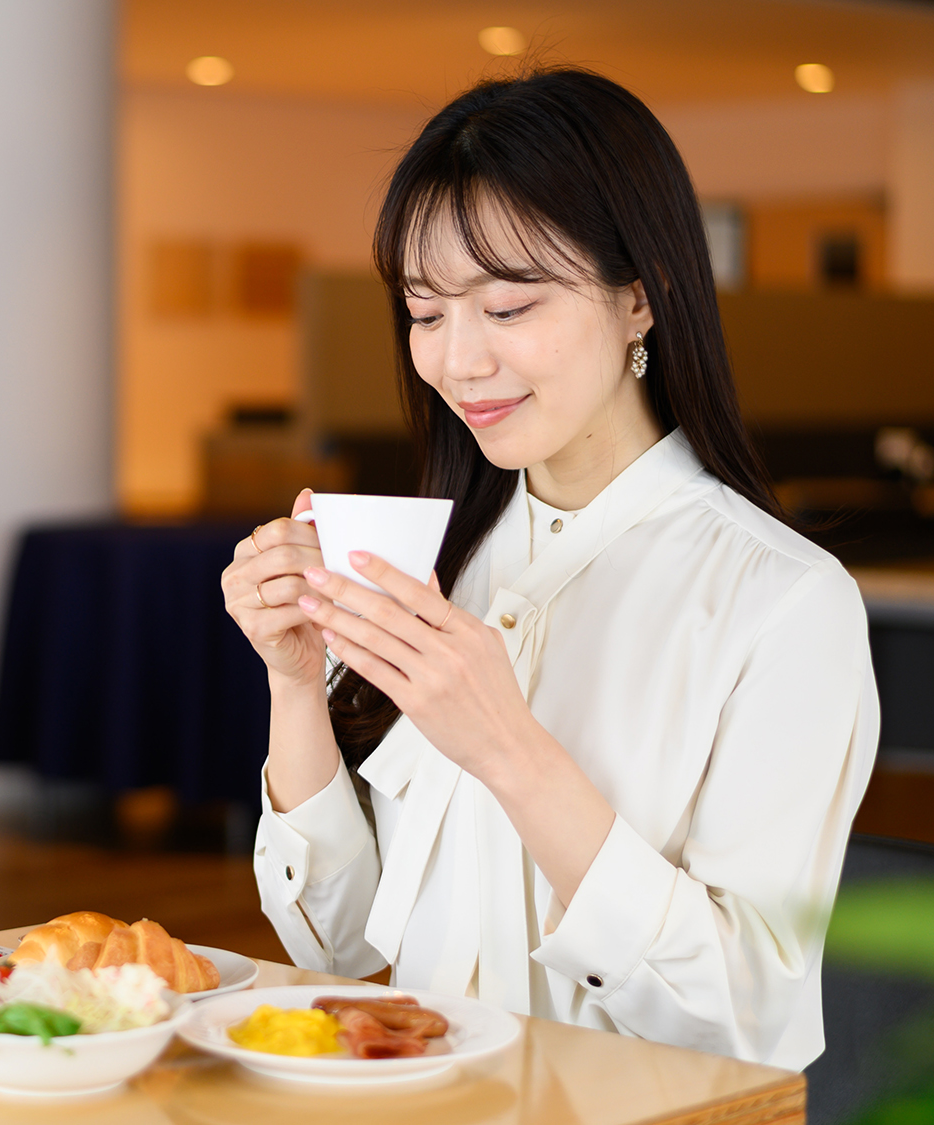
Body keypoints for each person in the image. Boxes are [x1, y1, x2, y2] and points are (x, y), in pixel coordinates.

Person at [219, 68, 878, 1069]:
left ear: (640, 297)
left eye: (508, 307)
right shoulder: (443, 563)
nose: (457, 362)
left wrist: (508, 750)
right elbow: (339, 944)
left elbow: (744, 1020)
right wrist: (295, 680)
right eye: (426, 314)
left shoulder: (782, 603)